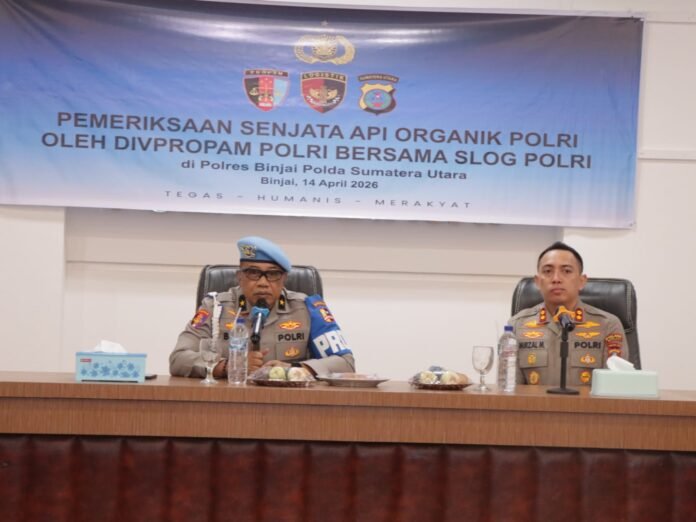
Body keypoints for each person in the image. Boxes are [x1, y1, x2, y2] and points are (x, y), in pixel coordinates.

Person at [170, 236, 355, 379]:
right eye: (253, 273)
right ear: (239, 277)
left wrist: (295, 370)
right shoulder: (215, 308)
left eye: (273, 274)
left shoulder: (307, 308)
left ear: (284, 279)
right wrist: (228, 366)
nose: (263, 283)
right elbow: (178, 359)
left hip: (290, 403)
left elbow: (346, 363)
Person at [508, 241, 628, 387]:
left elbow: (614, 387)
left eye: (566, 271)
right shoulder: (517, 325)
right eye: (548, 271)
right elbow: (510, 389)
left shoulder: (608, 325)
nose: (556, 279)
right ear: (538, 282)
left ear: (581, 281)